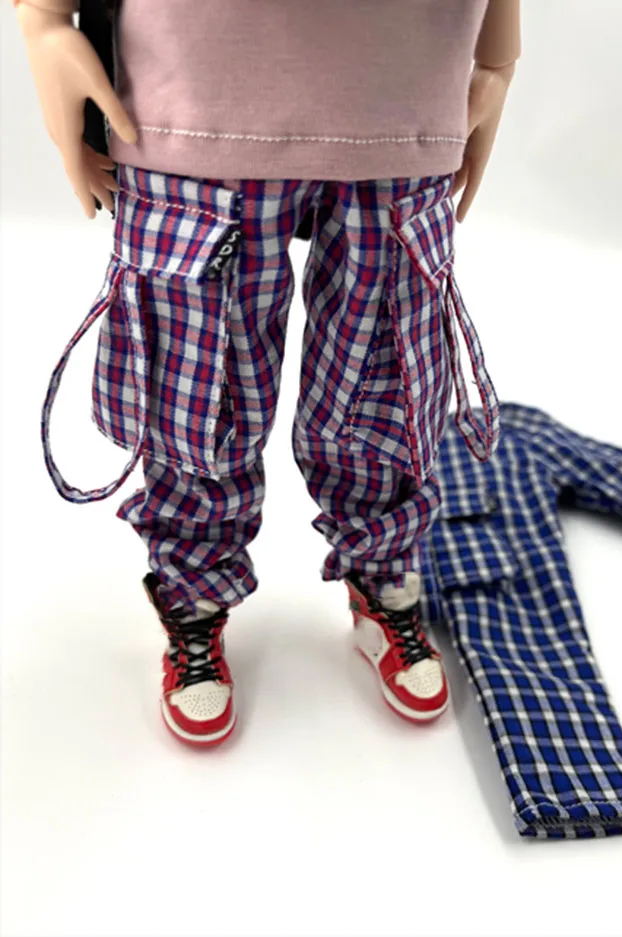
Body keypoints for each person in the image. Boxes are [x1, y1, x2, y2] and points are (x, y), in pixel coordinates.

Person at [13, 0, 520, 746]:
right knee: (197, 395)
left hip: (404, 96)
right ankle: (193, 598)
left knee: (384, 383)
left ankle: (384, 578)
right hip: (193, 102)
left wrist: (497, 58)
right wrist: (46, 21)